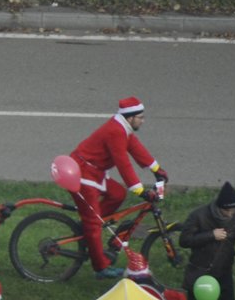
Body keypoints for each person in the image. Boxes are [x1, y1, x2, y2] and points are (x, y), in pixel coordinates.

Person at [68, 97, 168, 278]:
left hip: (94, 172)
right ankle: (101, 268)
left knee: (117, 193)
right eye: (141, 117)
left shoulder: (122, 128)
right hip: (83, 175)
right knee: (93, 224)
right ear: (130, 118)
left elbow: (136, 148)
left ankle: (91, 224)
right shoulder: (115, 132)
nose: (143, 121)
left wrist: (156, 169)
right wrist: (139, 190)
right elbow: (123, 163)